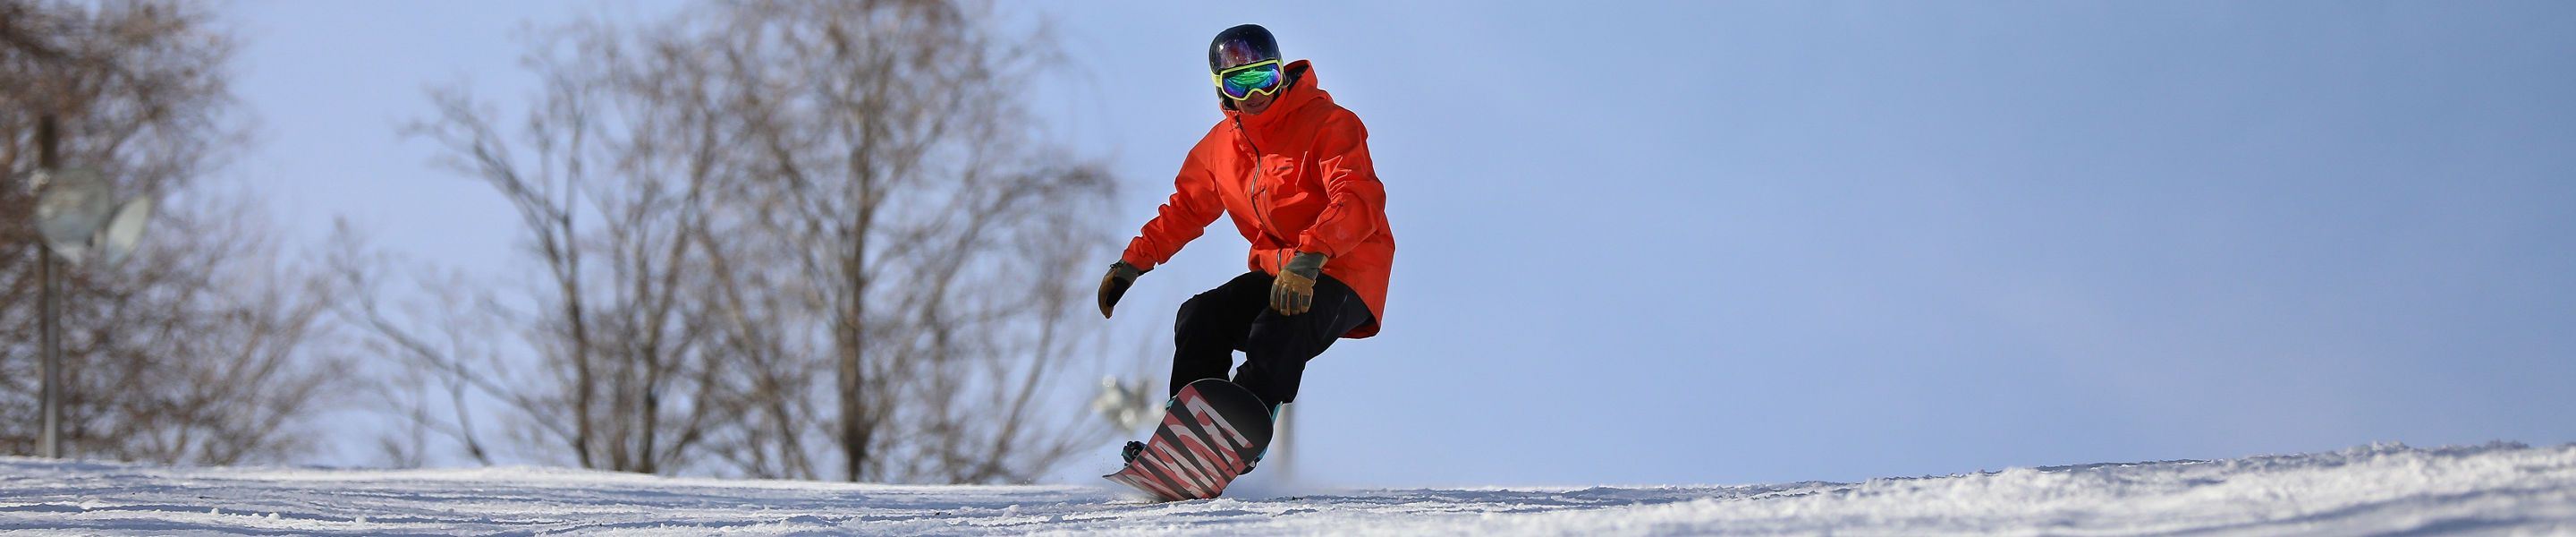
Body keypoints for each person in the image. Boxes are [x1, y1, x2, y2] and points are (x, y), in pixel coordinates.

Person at [1097, 23, 1394, 435]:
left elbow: (1357, 198)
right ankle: (1189, 431)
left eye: (1264, 78)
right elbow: (1185, 209)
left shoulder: (1328, 124)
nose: (1256, 94)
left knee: (1279, 325)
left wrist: (1311, 257)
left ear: (1281, 74)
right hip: (1282, 270)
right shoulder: (1220, 149)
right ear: (1222, 90)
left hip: (1347, 268)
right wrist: (1132, 263)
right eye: (1240, 83)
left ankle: (1239, 429)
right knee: (1200, 316)